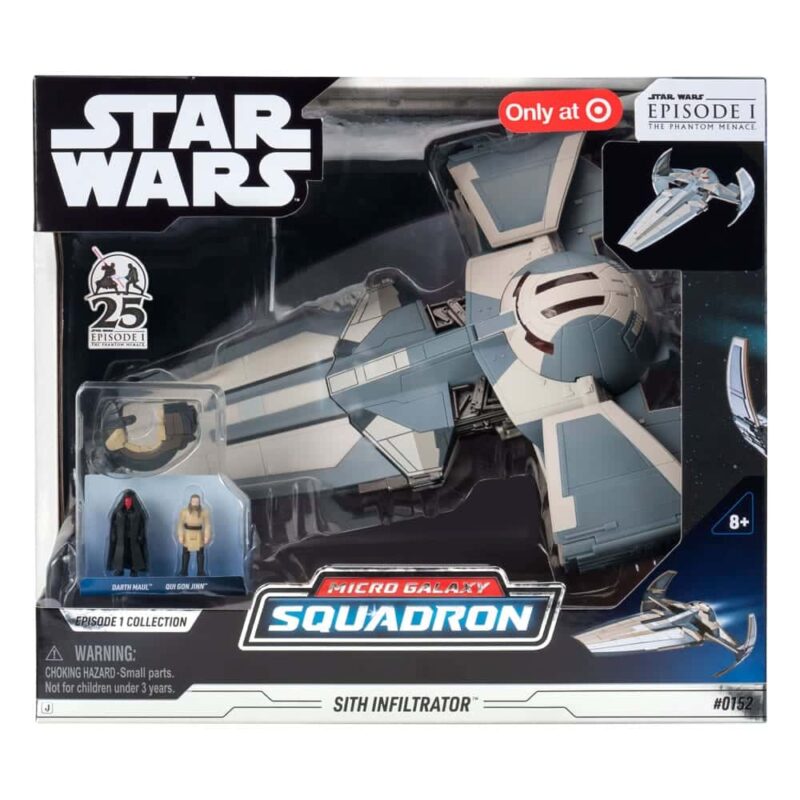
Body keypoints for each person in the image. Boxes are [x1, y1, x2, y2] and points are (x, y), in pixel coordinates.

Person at [177, 494, 212, 577]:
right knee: (185, 553)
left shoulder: (204, 512)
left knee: (200, 554)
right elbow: (180, 524)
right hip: (187, 534)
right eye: (194, 501)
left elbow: (207, 525)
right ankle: (184, 571)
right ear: (190, 501)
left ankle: (200, 571)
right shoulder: (184, 511)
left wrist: (207, 536)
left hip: (199, 535)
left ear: (199, 502)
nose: (195, 503)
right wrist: (180, 535)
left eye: (197, 502)